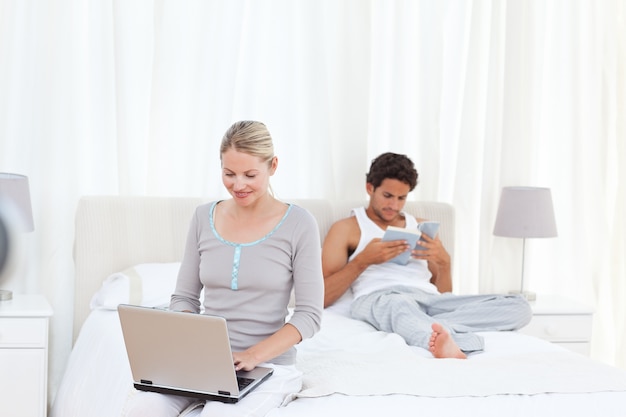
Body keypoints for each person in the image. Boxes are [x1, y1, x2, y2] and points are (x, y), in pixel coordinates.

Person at [126, 121, 324, 417]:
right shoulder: (203, 217)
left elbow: (309, 315)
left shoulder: (300, 223)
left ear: (273, 166)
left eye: (250, 175)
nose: (238, 185)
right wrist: (188, 338)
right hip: (202, 364)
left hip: (267, 367)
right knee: (142, 409)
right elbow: (184, 298)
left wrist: (252, 356)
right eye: (229, 174)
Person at [322, 152, 531, 359]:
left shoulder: (421, 227)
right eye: (387, 196)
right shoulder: (347, 229)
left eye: (401, 198)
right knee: (399, 306)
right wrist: (362, 261)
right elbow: (322, 297)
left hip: (427, 299)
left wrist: (444, 263)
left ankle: (430, 326)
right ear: (370, 188)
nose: (394, 205)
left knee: (519, 306)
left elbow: (444, 293)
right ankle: (456, 343)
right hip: (381, 297)